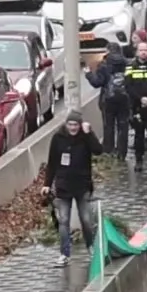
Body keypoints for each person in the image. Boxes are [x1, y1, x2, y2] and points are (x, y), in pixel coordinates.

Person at [42, 111, 101, 266]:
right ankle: (64, 254)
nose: (73, 128)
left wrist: (89, 134)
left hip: (82, 186)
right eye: (70, 125)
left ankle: (90, 247)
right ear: (66, 125)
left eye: (76, 125)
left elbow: (98, 150)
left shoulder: (84, 138)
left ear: (80, 125)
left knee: (86, 220)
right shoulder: (58, 138)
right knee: (64, 221)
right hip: (63, 186)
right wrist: (47, 184)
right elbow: (52, 163)